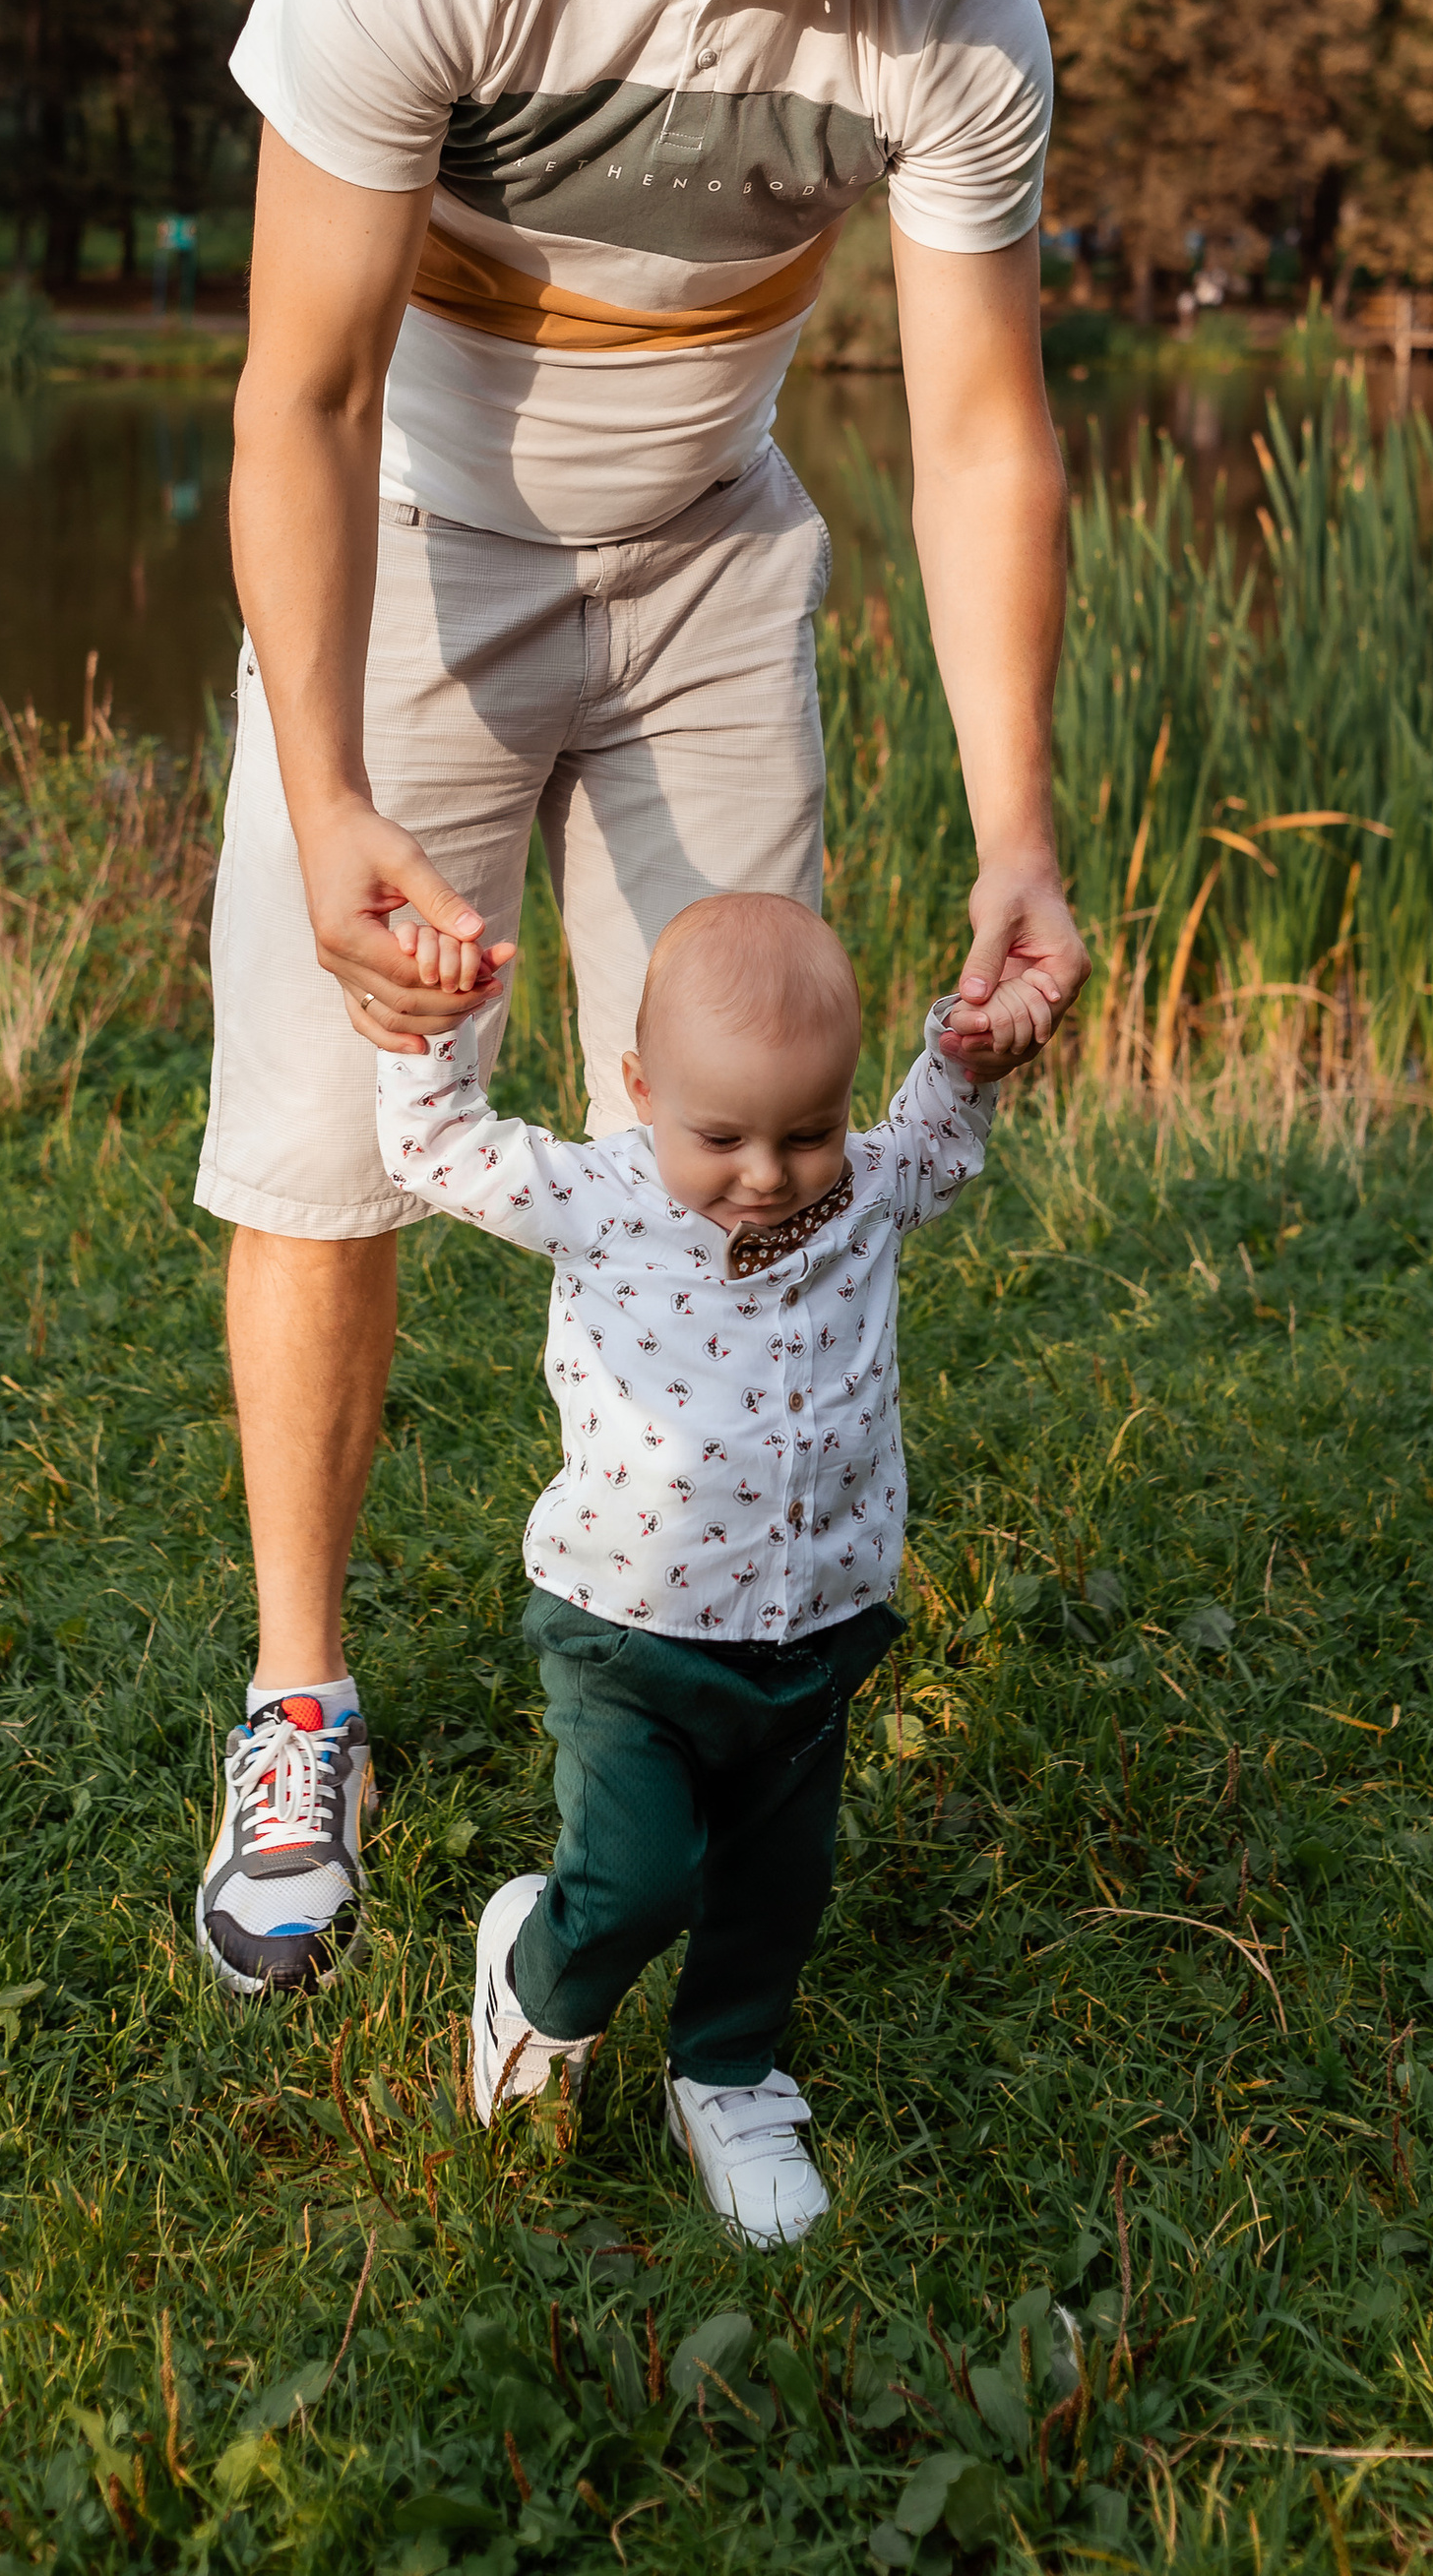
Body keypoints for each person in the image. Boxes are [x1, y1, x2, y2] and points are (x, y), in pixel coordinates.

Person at [190, 0, 1088, 2004]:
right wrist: (337, 781)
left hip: (705, 565)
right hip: (418, 569)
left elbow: (981, 419)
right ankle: (302, 1700)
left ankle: (698, 1637)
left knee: (744, 1127)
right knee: (330, 1152)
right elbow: (304, 398)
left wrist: (1015, 828)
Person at [376, 891, 1047, 2243]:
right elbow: (435, 1151)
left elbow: (934, 1142)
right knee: (636, 1876)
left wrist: (968, 1058)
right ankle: (537, 1976)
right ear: (640, 1089)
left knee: (774, 1879)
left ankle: (728, 2075)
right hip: (631, 1629)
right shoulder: (602, 1193)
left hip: (819, 1621)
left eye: (805, 1129)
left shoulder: (861, 1182)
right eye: (721, 1134)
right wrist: (430, 1040)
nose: (767, 1171)